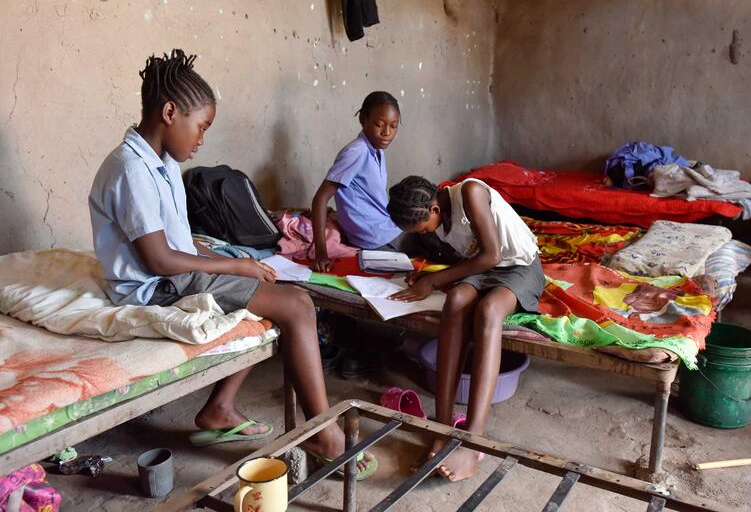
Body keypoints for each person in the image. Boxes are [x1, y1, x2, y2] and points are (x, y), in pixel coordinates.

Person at [88, 49, 375, 475]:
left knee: (271, 283)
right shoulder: (132, 169)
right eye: (201, 127)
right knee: (297, 306)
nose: (202, 139)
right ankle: (324, 434)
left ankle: (220, 408)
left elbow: (178, 242)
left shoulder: (160, 162)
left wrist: (229, 256)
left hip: (171, 273)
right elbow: (160, 259)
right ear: (170, 112)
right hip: (156, 287)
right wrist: (235, 268)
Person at [386, 175, 545, 481]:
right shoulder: (438, 213)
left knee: (488, 311)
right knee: (456, 299)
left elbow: (492, 255)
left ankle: (473, 442)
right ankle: (443, 428)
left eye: (422, 229)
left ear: (434, 209)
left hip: (519, 267)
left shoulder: (471, 192)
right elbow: (477, 260)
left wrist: (433, 280)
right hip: (486, 269)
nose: (424, 235)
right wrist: (428, 278)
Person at [311, 91, 416, 272]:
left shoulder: (376, 150)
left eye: (394, 126)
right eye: (379, 125)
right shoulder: (356, 151)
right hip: (374, 237)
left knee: (432, 232)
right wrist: (321, 253)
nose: (387, 133)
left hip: (386, 227)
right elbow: (320, 198)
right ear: (363, 120)